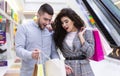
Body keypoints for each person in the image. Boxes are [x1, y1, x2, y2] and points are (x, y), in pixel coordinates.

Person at [15, 3, 59, 76]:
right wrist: (31, 54)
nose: (47, 23)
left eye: (49, 20)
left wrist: (59, 64)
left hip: (46, 73)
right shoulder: (24, 28)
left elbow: (53, 52)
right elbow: (18, 50)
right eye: (45, 19)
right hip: (29, 73)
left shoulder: (50, 32)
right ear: (38, 15)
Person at [53, 8, 95, 76]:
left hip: (84, 70)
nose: (64, 25)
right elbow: (54, 52)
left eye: (66, 21)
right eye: (62, 23)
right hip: (69, 71)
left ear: (73, 20)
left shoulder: (86, 32)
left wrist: (81, 37)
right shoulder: (60, 36)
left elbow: (90, 53)